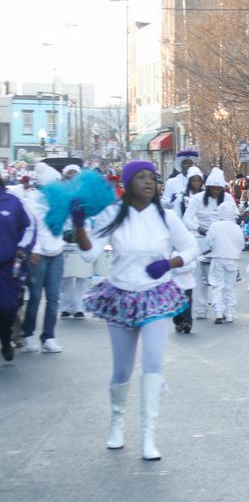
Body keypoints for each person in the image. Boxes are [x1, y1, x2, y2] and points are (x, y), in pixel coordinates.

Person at [75, 161, 198, 460]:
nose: (148, 182)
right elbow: (89, 253)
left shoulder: (167, 218)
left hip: (155, 297)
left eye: (152, 178)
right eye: (140, 177)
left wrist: (169, 263)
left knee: (154, 363)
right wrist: (79, 225)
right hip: (120, 295)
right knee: (122, 368)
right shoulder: (112, 216)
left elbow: (192, 248)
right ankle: (116, 423)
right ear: (127, 184)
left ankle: (148, 436)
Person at [20, 162, 66, 354]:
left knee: (54, 297)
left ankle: (48, 336)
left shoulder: (60, 201)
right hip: (37, 255)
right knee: (36, 296)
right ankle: (28, 334)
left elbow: (63, 226)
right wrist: (36, 250)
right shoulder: (32, 200)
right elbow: (31, 228)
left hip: (57, 253)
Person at [183, 167, 237, 320]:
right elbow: (186, 219)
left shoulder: (228, 198)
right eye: (212, 188)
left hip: (222, 242)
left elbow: (235, 218)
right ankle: (200, 309)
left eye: (218, 188)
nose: (215, 191)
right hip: (201, 240)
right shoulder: (197, 199)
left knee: (224, 279)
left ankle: (226, 309)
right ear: (207, 187)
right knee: (200, 276)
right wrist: (198, 228)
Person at [0, 176, 34, 362]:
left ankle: (6, 340)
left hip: (7, 267)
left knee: (6, 309)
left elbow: (28, 227)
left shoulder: (13, 202)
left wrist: (22, 248)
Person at [170, 166, 204, 333]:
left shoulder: (206, 197)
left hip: (200, 239)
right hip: (183, 239)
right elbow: (177, 218)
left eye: (199, 180)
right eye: (194, 180)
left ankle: (189, 317)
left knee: (191, 279)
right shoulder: (182, 198)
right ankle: (179, 317)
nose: (197, 183)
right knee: (180, 279)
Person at [204, 199, 244, 324]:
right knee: (230, 287)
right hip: (232, 260)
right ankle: (230, 313)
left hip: (217, 258)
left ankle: (219, 312)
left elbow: (209, 241)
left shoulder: (215, 226)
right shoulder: (237, 227)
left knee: (217, 286)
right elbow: (241, 244)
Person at [59, 164, 88, 319]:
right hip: (65, 236)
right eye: (69, 174)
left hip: (83, 235)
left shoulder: (86, 194)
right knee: (67, 274)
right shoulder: (60, 193)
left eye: (75, 174)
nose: (72, 177)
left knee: (82, 274)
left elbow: (92, 214)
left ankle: (79, 307)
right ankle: (66, 306)